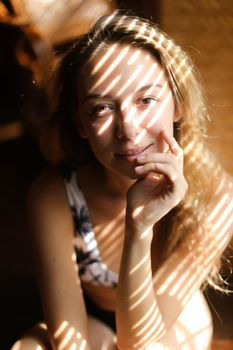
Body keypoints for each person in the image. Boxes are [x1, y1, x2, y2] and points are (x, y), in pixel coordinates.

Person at [12, 10, 233, 350]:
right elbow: (69, 338)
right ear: (81, 124)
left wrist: (139, 226)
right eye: (101, 108)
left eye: (146, 100)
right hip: (91, 319)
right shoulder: (55, 196)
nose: (128, 129)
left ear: (176, 104)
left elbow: (138, 340)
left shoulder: (216, 197)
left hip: (170, 318)